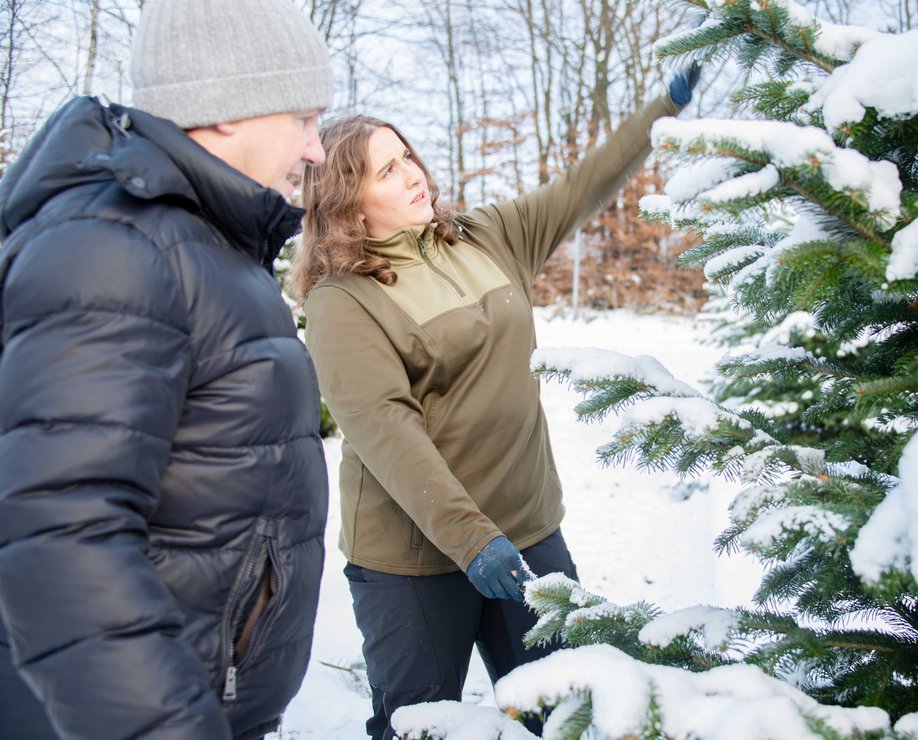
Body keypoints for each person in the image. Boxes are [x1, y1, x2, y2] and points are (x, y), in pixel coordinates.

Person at [288, 66, 700, 737]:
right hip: (415, 560)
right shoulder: (341, 300)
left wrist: (663, 109)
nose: (413, 174)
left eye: (408, 156)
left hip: (528, 531)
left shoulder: (482, 238)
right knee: (420, 726)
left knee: (561, 712)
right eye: (387, 171)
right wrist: (472, 540)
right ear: (347, 203)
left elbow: (579, 187)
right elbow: (385, 430)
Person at [0, 1, 333, 738]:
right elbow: (61, 534)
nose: (316, 149)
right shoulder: (118, 250)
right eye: (304, 118)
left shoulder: (207, 247)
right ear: (225, 110)